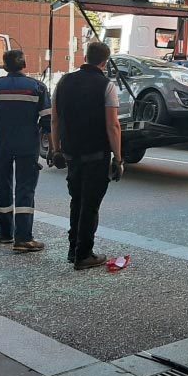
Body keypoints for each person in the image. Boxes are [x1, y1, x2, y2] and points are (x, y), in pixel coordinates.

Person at [49, 41, 124, 270]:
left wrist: (56, 149)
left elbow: (55, 119)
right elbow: (113, 126)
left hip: (71, 153)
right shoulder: (106, 86)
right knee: (90, 205)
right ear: (105, 61)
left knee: (77, 201)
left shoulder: (63, 82)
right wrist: (118, 159)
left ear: (85, 56)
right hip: (96, 155)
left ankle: (73, 249)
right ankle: (84, 254)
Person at [0, 49, 51, 252]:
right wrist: (54, 149)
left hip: (2, 146)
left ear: (4, 66)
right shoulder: (37, 87)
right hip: (28, 146)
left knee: (2, 187)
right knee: (25, 189)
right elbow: (47, 122)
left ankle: (4, 233)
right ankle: (23, 238)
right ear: (24, 65)